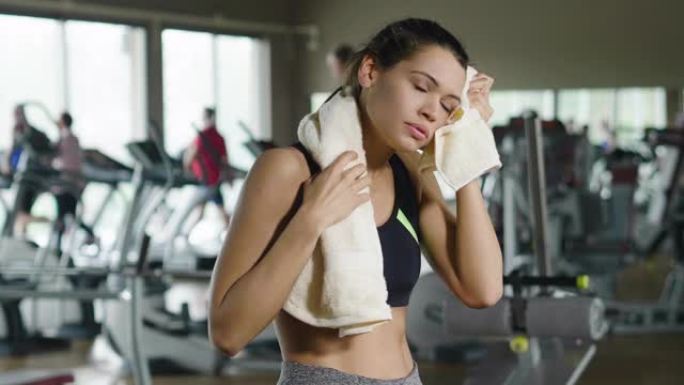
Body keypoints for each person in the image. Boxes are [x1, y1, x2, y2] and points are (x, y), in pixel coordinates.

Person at [208, 18, 503, 385]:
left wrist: (468, 145)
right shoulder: (288, 170)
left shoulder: (410, 174)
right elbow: (227, 333)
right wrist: (311, 219)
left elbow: (483, 289)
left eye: (447, 107)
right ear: (370, 70)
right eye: (420, 87)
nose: (431, 111)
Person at [182, 107, 231, 227]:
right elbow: (225, 161)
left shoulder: (202, 136)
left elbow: (190, 156)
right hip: (214, 179)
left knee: (201, 210)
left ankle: (184, 235)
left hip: (206, 180)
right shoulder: (220, 137)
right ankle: (185, 235)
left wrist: (186, 169)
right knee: (205, 210)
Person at [9, 104, 53, 236]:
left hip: (30, 179)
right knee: (20, 214)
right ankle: (23, 234)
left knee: (20, 214)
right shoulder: (23, 132)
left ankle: (53, 222)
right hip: (31, 178)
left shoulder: (28, 133)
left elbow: (16, 152)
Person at [51, 112, 84, 232]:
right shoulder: (74, 138)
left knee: (64, 215)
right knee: (69, 215)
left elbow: (53, 154)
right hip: (74, 182)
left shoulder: (64, 139)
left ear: (63, 122)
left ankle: (58, 247)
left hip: (65, 183)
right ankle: (90, 235)